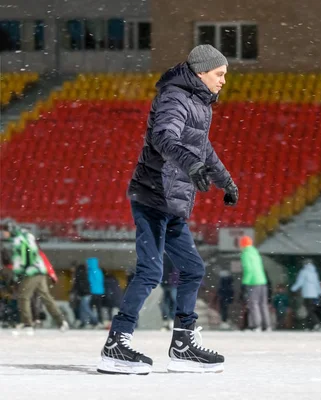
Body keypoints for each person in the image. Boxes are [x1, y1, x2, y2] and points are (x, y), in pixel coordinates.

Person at [97, 44, 238, 375]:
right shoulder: (174, 97)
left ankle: (182, 344)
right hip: (152, 197)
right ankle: (116, 343)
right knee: (151, 271)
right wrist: (191, 166)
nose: (223, 81)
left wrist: (227, 182)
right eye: (219, 74)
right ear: (201, 72)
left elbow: (204, 149)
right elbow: (163, 137)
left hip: (173, 202)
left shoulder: (200, 105)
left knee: (193, 269)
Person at [2, 223, 68, 335]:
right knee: (46, 297)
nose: (4, 234)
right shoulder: (28, 236)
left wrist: (17, 274)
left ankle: (27, 324)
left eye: (5, 231)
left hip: (31, 271)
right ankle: (61, 321)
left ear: (11, 230)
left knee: (23, 297)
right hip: (40, 269)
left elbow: (22, 258)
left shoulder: (18, 240)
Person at [239, 236, 270, 332]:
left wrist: (245, 283)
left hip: (253, 282)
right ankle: (267, 326)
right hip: (262, 281)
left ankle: (256, 325)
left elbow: (248, 269)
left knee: (253, 303)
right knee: (263, 304)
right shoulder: (255, 253)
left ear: (242, 244)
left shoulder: (245, 254)